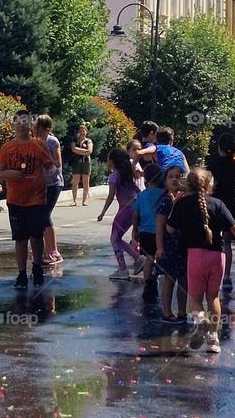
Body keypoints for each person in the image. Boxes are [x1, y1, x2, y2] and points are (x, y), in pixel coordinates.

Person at [167, 167, 235, 353]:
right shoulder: (217, 204)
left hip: (195, 256)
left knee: (195, 299)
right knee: (213, 297)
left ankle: (200, 320)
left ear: (186, 185)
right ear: (209, 185)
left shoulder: (182, 204)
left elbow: (169, 229)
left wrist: (175, 205)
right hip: (218, 256)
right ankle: (213, 340)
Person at [0, 111, 54, 292]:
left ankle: (37, 267)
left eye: (25, 122)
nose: (21, 125)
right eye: (18, 122)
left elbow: (50, 166)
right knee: (20, 238)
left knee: (36, 236)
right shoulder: (7, 148)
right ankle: (21, 273)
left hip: (36, 199)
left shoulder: (38, 146)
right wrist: (9, 175)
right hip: (15, 200)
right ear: (13, 124)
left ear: (30, 125)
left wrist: (52, 172)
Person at [206, 131, 235, 288]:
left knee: (211, 238)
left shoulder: (212, 162)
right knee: (227, 242)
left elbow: (207, 183)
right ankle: (227, 276)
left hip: (213, 204)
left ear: (219, 148)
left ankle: (211, 273)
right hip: (231, 204)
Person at [97, 148, 142, 279]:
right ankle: (136, 258)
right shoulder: (129, 174)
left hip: (124, 210)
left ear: (111, 161)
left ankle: (124, 268)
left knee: (114, 238)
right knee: (117, 238)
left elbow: (111, 196)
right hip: (133, 209)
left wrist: (103, 212)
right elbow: (138, 191)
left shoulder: (114, 175)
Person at [156, 167, 187, 323]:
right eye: (171, 177)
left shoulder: (185, 199)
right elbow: (160, 227)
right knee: (169, 279)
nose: (174, 179)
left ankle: (182, 311)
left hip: (184, 246)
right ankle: (166, 312)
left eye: (178, 176)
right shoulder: (165, 202)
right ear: (165, 181)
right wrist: (159, 247)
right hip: (169, 246)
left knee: (184, 280)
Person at [132, 160, 165, 305]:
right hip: (160, 232)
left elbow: (135, 215)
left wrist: (135, 230)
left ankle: (148, 282)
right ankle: (156, 276)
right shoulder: (164, 194)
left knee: (148, 258)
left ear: (145, 178)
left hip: (145, 231)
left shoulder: (142, 195)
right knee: (160, 255)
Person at [36, 114, 64, 264]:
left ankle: (54, 252)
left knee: (45, 215)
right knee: (40, 216)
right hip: (41, 184)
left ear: (47, 129)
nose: (36, 131)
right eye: (36, 128)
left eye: (39, 128)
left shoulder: (52, 141)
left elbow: (58, 162)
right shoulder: (35, 142)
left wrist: (44, 158)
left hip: (54, 183)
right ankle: (46, 251)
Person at [69, 124, 93, 205]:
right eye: (80, 131)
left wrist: (78, 150)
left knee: (86, 182)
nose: (82, 132)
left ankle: (84, 200)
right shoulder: (74, 140)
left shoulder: (88, 141)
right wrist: (83, 151)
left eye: (84, 130)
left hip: (86, 163)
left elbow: (89, 151)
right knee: (75, 181)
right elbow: (73, 149)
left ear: (86, 132)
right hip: (76, 162)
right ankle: (74, 200)